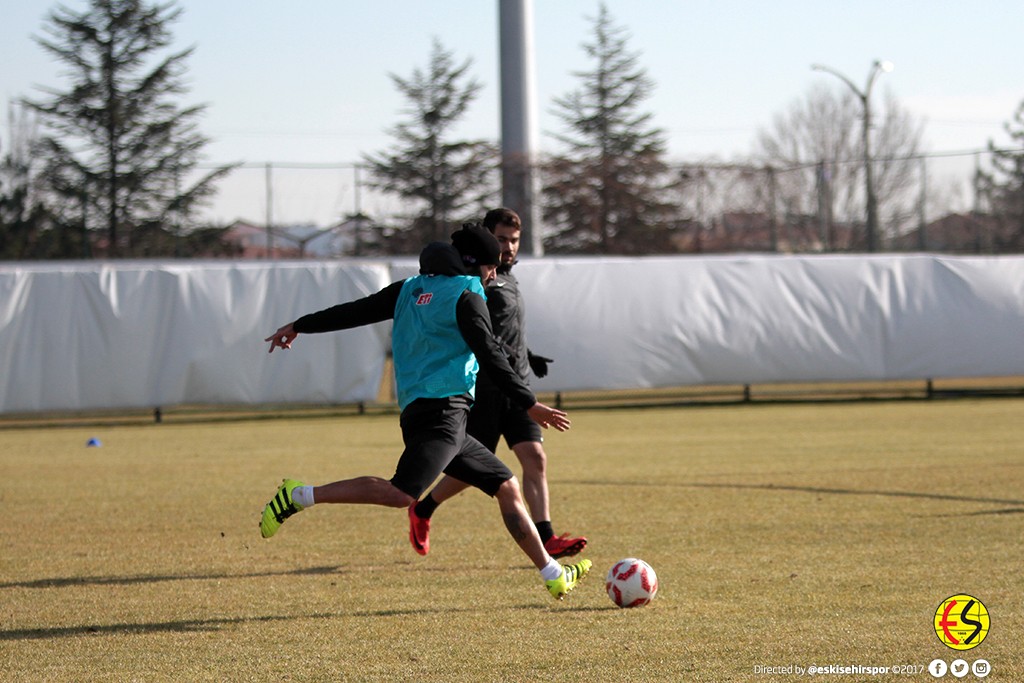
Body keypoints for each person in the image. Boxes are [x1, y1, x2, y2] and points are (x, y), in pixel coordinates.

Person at [259, 224, 591, 600]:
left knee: (506, 486)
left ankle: (553, 573)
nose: (494, 273)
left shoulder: (410, 288)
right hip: (443, 415)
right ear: (471, 264)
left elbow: (353, 312)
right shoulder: (467, 295)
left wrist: (299, 326)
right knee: (402, 494)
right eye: (490, 266)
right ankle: (299, 495)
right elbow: (491, 355)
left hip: (433, 413)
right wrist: (530, 403)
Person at [409, 208, 587, 559]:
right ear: (489, 239)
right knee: (480, 467)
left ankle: (547, 535)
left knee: (535, 457)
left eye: (514, 240)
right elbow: (481, 333)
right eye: (502, 239)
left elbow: (505, 329)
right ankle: (423, 508)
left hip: (518, 386)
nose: (508, 246)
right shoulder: (476, 281)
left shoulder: (510, 278)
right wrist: (505, 352)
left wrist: (528, 353)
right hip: (488, 387)